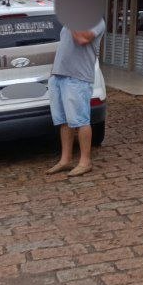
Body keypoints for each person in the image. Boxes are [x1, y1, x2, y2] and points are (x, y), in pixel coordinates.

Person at [46, 16, 106, 177]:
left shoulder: (96, 21)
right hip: (59, 76)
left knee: (81, 121)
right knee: (64, 121)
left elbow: (82, 38)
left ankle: (85, 162)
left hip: (77, 78)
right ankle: (65, 160)